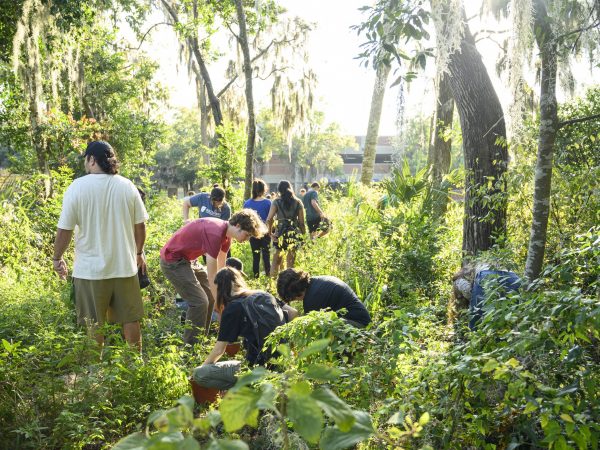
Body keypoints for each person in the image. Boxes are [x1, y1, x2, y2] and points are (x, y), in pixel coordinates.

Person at [52, 141, 148, 351]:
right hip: (124, 267)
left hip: (90, 271)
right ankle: (136, 366)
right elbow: (140, 226)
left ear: (92, 159)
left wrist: (57, 258)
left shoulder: (77, 187)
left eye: (86, 159)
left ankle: (94, 373)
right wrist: (139, 253)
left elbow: (64, 229)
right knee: (131, 318)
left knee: (92, 323)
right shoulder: (127, 186)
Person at [160, 210, 267, 345]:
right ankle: (191, 347)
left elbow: (221, 272)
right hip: (173, 260)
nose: (246, 240)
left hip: (189, 260)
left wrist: (224, 296)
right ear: (238, 226)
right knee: (200, 302)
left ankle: (200, 339)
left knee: (210, 297)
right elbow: (212, 276)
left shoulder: (226, 237)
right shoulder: (215, 233)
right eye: (247, 235)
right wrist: (220, 303)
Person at [192, 267, 297, 390]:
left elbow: (219, 351)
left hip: (257, 369)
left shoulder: (232, 308)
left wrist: (200, 368)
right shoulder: (263, 294)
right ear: (238, 281)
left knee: (200, 374)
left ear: (220, 288)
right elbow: (293, 312)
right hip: (283, 363)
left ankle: (248, 389)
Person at [277, 268, 371, 328]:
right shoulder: (316, 282)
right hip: (361, 321)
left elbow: (310, 330)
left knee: (320, 327)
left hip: (360, 326)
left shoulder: (312, 299)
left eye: (291, 299)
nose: (295, 301)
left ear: (294, 294)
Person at [453, 264, 521, 330]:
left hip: (486, 275)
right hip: (513, 277)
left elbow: (468, 292)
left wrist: (471, 302)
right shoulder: (479, 266)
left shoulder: (458, 280)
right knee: (510, 315)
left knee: (477, 320)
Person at [265, 180, 306, 278]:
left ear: (279, 190)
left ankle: (272, 285)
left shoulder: (276, 201)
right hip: (293, 234)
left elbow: (269, 219)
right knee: (290, 263)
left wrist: (270, 233)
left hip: (279, 234)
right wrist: (303, 237)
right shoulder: (298, 202)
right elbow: (301, 223)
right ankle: (289, 286)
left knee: (276, 262)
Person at [243, 179, 272, 278]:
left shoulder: (247, 203)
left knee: (255, 256)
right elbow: (271, 219)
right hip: (266, 233)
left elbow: (244, 221)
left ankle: (256, 276)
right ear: (264, 189)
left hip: (253, 233)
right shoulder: (268, 203)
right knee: (266, 255)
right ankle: (268, 275)